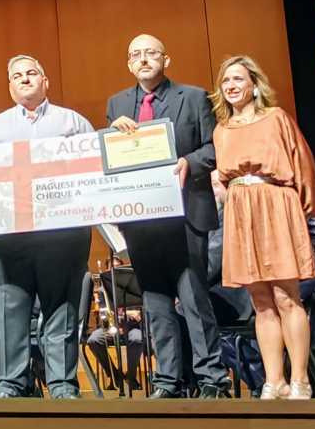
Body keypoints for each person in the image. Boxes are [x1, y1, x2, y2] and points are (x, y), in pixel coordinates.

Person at [0, 55, 94, 399]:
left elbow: (95, 166)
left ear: (45, 80)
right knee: (7, 311)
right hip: (8, 240)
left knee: (61, 311)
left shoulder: (72, 122)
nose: (24, 79)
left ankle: (63, 384)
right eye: (17, 76)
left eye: (31, 73)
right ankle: (9, 385)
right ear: (9, 86)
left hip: (62, 238)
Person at [106, 34, 231, 398]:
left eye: (150, 53)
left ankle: (211, 379)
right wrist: (110, 136)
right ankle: (167, 381)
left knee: (194, 300)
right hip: (142, 220)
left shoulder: (193, 97)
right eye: (136, 55)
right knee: (156, 303)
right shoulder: (117, 104)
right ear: (129, 64)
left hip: (186, 214)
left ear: (166, 59)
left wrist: (186, 163)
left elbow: (214, 148)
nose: (143, 59)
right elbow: (110, 160)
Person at [210, 55, 315, 400]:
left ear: (254, 84)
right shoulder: (221, 130)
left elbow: (303, 163)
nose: (231, 86)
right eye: (226, 81)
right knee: (260, 301)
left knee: (287, 297)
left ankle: (300, 378)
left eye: (238, 79)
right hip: (241, 212)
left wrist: (303, 213)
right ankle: (275, 380)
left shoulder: (275, 118)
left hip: (276, 204)